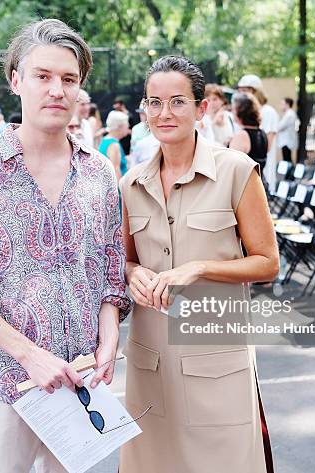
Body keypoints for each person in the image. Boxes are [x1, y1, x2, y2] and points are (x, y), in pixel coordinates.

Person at [0, 19, 130, 473]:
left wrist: (109, 339)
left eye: (68, 79)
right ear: (16, 81)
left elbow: (109, 270)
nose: (56, 90)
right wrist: (30, 356)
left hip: (82, 379)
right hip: (6, 384)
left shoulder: (99, 172)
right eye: (43, 76)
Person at [119, 55, 278, 473]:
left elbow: (268, 263)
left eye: (177, 102)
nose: (163, 113)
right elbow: (125, 261)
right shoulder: (130, 184)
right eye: (153, 103)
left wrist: (199, 268)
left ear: (201, 108)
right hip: (150, 362)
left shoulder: (237, 172)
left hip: (215, 357)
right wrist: (134, 274)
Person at [238, 75, 278, 191]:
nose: (242, 94)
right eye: (240, 91)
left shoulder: (268, 112)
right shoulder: (243, 111)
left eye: (245, 91)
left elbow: (267, 146)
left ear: (256, 92)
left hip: (263, 171)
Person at [229, 92, 268, 173]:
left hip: (247, 183)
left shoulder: (242, 135)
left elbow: (230, 166)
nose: (231, 111)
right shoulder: (262, 133)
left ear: (239, 111)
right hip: (261, 181)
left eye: (233, 108)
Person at [99, 110, 130, 180]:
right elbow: (116, 170)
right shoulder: (114, 145)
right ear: (120, 126)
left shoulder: (105, 140)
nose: (128, 127)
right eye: (127, 125)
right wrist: (120, 190)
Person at [277, 98, 298, 162]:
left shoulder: (289, 114)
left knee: (287, 160)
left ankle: (289, 172)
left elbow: (280, 127)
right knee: (287, 159)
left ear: (287, 104)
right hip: (286, 141)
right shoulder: (288, 114)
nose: (281, 106)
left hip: (287, 141)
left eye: (282, 104)